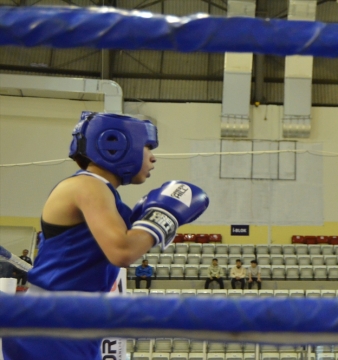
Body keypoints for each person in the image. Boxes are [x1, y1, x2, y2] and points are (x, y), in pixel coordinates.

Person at [2, 112, 209, 360]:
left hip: (69, 319)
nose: (153, 157)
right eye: (147, 147)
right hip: (54, 320)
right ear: (117, 143)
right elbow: (122, 252)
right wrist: (164, 216)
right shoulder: (89, 186)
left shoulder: (101, 192)